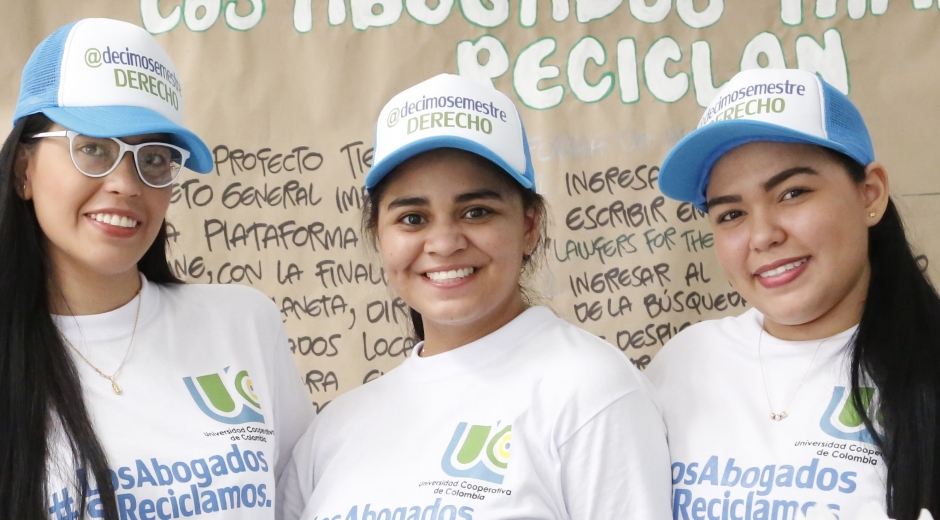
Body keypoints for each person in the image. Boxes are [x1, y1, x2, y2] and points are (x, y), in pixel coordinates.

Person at [277, 73, 672, 519]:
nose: (444, 243)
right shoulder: (335, 430)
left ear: (529, 226)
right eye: (412, 218)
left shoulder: (591, 391)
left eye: (476, 211)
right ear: (379, 235)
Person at [0, 18, 314, 519]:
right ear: (24, 171)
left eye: (154, 158)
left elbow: (301, 504)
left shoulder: (243, 323)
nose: (127, 183)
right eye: (93, 149)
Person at [647, 67, 940, 520]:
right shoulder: (684, 364)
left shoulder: (926, 366)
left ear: (870, 194)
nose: (762, 236)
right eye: (730, 215)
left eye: (792, 193)